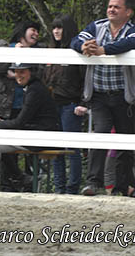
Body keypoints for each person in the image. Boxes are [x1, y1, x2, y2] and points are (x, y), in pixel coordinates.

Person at [71, 0, 135, 198]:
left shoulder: (134, 30)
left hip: (124, 96)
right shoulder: (96, 26)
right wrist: (83, 46)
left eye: (116, 7)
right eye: (110, 6)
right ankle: (93, 183)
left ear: (128, 12)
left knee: (125, 139)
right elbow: (76, 40)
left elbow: (134, 43)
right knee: (101, 133)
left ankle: (122, 185)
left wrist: (104, 50)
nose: (111, 10)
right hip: (99, 94)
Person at [0, 63, 59, 191]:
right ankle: (4, 181)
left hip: (41, 137)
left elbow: (19, 123)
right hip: (34, 134)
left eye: (22, 72)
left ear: (31, 72)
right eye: (16, 72)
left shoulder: (34, 90)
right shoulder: (32, 88)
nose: (18, 75)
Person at [0, 20, 42, 190]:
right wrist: (13, 54)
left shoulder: (38, 52)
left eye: (38, 31)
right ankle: (4, 184)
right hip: (2, 107)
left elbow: (38, 75)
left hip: (24, 107)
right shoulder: (5, 46)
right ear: (23, 31)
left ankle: (22, 183)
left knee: (17, 147)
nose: (36, 34)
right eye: (33, 30)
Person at [43, 14, 86, 194]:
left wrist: (83, 103)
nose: (56, 31)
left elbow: (85, 79)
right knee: (56, 148)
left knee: (72, 148)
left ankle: (72, 188)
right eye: (54, 27)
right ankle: (59, 188)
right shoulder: (50, 52)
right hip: (52, 105)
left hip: (71, 105)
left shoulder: (77, 51)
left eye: (59, 27)